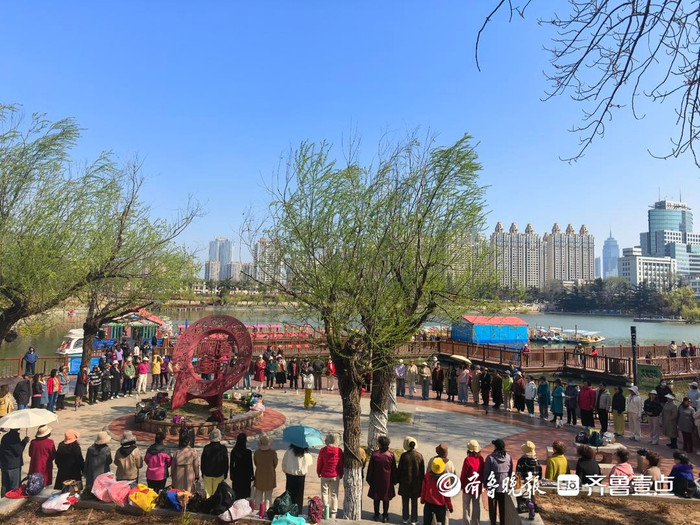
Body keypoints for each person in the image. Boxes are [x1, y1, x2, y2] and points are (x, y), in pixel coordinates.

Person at [367, 435, 397, 523]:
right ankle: (385, 516)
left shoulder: (375, 454)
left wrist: (369, 479)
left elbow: (370, 469)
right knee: (386, 498)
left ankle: (376, 515)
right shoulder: (390, 455)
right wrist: (395, 480)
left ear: (380, 444)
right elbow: (394, 469)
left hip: (376, 479)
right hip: (387, 480)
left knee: (376, 498)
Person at [483, 439, 512, 525]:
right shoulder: (508, 457)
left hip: (493, 487)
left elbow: (486, 472)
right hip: (504, 487)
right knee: (503, 509)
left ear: (495, 447)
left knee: (492, 510)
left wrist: (485, 483)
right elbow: (510, 472)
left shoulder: (490, 458)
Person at [318, 432, 344, 520]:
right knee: (334, 494)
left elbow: (320, 462)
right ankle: (333, 513)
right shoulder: (339, 451)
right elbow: (341, 464)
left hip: (325, 474)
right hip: (335, 475)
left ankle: (325, 512)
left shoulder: (323, 450)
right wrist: (341, 473)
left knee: (324, 494)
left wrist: (318, 471)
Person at [397, 436, 423, 525]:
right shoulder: (419, 456)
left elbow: (399, 469)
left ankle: (405, 518)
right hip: (416, 483)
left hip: (405, 483)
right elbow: (422, 471)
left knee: (405, 502)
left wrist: (398, 480)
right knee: (414, 502)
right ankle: (414, 520)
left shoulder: (404, 456)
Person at [282, 443, 313, 516]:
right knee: (299, 497)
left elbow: (284, 463)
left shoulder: (289, 451)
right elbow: (310, 463)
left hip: (290, 475)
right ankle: (298, 513)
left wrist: (286, 471)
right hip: (300, 476)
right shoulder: (305, 453)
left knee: (289, 496)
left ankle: (288, 512)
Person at [420, 458, 453, 525]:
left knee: (427, 522)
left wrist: (422, 499)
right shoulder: (445, 480)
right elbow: (447, 496)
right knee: (440, 523)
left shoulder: (427, 477)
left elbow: (423, 490)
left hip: (428, 504)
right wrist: (450, 506)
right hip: (440, 506)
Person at [460, 439, 484, 525]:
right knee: (476, 505)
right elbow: (482, 472)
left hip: (468, 486)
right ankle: (476, 523)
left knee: (466, 506)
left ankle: (466, 523)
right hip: (477, 486)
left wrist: (461, 485)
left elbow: (463, 474)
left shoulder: (467, 460)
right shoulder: (481, 459)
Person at [0, 429, 28, 497]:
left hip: (5, 464)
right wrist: (24, 442)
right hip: (13, 466)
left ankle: (3, 501)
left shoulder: (5, 436)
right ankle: (11, 501)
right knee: (14, 488)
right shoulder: (14, 437)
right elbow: (18, 451)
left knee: (5, 486)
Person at [253, 436, 278, 514]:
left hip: (259, 475)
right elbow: (275, 463)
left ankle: (257, 511)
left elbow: (256, 463)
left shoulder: (257, 452)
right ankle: (267, 511)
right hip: (270, 475)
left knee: (258, 495)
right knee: (268, 496)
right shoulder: (273, 453)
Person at [201, 429, 228, 498]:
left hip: (207, 473)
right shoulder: (223, 448)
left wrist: (203, 472)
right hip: (219, 473)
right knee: (217, 493)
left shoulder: (206, 448)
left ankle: (208, 503)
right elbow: (225, 462)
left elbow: (203, 461)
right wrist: (225, 473)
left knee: (208, 493)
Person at [515, 441, 542, 512]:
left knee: (519, 490)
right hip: (533, 483)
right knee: (532, 493)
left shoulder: (521, 461)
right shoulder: (536, 461)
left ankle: (522, 506)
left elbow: (518, 475)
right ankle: (533, 505)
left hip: (524, 484)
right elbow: (540, 474)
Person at [230, 433, 254, 500]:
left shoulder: (234, 452)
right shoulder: (248, 452)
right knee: (245, 495)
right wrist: (252, 474)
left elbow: (231, 464)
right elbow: (250, 465)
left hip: (236, 474)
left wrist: (231, 474)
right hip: (246, 475)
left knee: (236, 494)